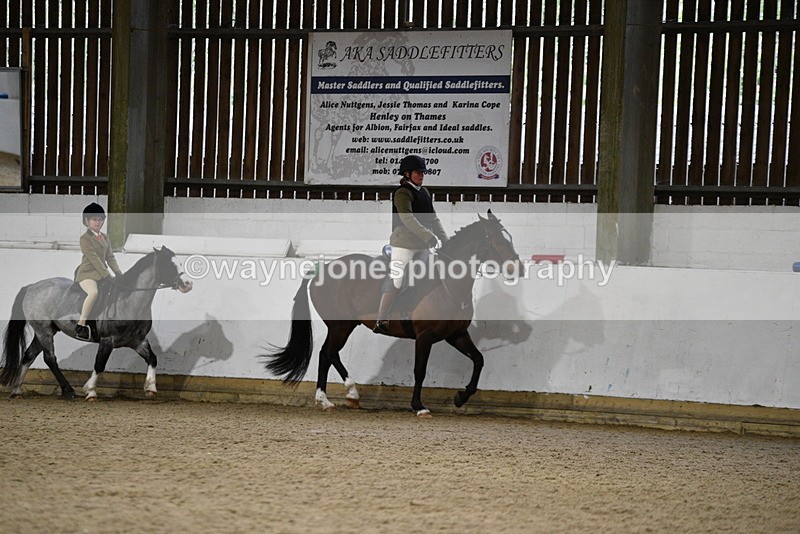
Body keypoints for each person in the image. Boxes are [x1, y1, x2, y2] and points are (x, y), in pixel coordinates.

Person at [374, 154, 449, 333]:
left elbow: (433, 218)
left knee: (427, 275)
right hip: (404, 244)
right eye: (417, 172)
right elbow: (407, 217)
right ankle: (381, 318)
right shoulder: (402, 193)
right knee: (398, 278)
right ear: (407, 174)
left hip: (422, 245)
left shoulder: (424, 192)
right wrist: (428, 236)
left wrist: (445, 239)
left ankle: (415, 311)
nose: (422, 175)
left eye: (423, 172)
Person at [74, 202, 122, 341]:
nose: (98, 222)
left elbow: (110, 257)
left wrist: (118, 273)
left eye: (100, 219)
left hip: (102, 275)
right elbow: (94, 259)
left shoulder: (105, 237)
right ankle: (81, 325)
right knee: (93, 292)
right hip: (87, 274)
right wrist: (107, 275)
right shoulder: (85, 239)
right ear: (86, 221)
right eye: (94, 219)